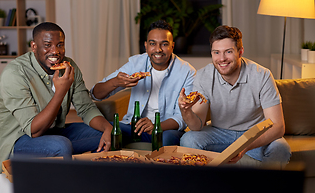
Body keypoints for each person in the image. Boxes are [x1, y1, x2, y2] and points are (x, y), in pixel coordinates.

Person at [0, 22, 112, 173]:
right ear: (34, 46)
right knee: (60, 146)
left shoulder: (69, 66)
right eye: (47, 45)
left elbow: (86, 108)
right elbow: (34, 131)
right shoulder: (15, 73)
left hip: (53, 132)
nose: (55, 51)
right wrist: (60, 92)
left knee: (111, 132)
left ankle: (93, 183)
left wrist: (108, 128)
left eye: (60, 45)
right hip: (15, 141)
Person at [178, 25, 291, 165]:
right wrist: (185, 111)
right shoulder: (203, 76)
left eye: (228, 52)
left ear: (240, 52)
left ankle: (264, 186)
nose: (222, 58)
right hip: (219, 133)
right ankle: (206, 185)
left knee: (281, 148)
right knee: (188, 139)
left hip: (253, 134)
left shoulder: (262, 75)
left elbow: (278, 126)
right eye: (216, 52)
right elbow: (197, 126)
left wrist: (244, 147)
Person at [90, 20, 196, 147]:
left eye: (164, 44)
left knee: (168, 140)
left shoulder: (187, 72)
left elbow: (183, 117)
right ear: (146, 46)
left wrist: (156, 125)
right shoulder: (136, 64)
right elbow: (95, 94)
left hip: (165, 130)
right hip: (132, 127)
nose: (158, 49)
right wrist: (115, 82)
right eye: (153, 44)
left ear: (172, 46)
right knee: (104, 131)